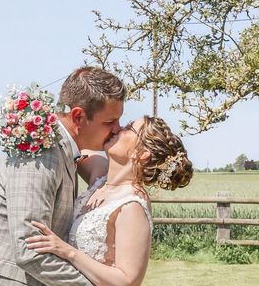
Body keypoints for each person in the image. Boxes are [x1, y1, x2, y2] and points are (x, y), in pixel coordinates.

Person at [0, 66, 126, 286]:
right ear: (78, 116)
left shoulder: (64, 150)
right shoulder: (42, 154)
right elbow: (30, 250)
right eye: (109, 122)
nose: (118, 129)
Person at [25, 115, 193, 286]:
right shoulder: (99, 174)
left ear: (141, 153)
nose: (117, 128)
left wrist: (68, 252)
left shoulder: (132, 205)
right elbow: (71, 139)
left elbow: (127, 281)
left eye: (129, 127)